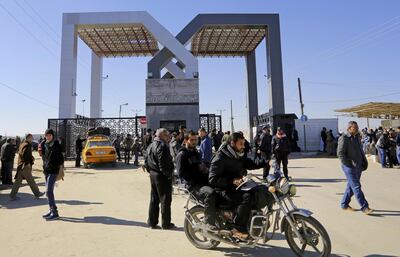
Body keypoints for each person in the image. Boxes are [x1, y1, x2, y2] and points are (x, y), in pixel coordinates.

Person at [209, 132, 264, 239]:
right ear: (232, 143)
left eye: (244, 143)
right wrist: (232, 181)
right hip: (221, 190)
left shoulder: (238, 155)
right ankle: (237, 229)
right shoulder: (220, 158)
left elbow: (250, 164)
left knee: (257, 192)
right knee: (246, 198)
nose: (243, 146)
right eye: (241, 144)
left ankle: (254, 221)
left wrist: (265, 162)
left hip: (236, 187)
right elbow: (212, 179)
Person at [176, 131, 217, 230]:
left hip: (202, 181)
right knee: (210, 194)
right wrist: (197, 171)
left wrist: (205, 169)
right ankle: (209, 222)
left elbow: (200, 165)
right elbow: (181, 174)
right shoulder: (182, 155)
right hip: (193, 185)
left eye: (196, 139)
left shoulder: (195, 152)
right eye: (192, 140)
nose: (194, 142)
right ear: (186, 140)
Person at [337, 121, 372, 215]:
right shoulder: (344, 138)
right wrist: (349, 164)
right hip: (349, 167)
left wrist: (364, 161)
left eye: (357, 127)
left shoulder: (356, 137)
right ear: (349, 128)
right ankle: (365, 207)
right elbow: (340, 153)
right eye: (355, 128)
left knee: (351, 187)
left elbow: (360, 150)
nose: (357, 129)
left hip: (358, 166)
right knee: (356, 186)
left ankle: (344, 204)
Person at [146, 128, 175, 229]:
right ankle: (166, 223)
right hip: (161, 175)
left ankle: (152, 222)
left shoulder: (151, 144)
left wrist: (150, 171)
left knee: (154, 199)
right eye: (167, 136)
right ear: (162, 136)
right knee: (165, 199)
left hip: (153, 174)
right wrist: (169, 175)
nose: (169, 137)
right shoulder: (162, 145)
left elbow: (146, 161)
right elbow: (163, 163)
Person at [10, 134, 45, 200]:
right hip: (25, 166)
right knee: (31, 180)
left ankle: (12, 195)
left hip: (21, 165)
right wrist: (27, 162)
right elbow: (24, 154)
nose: (32, 139)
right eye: (31, 138)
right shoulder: (27, 145)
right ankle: (37, 193)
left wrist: (31, 157)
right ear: (28, 138)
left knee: (18, 181)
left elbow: (23, 153)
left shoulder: (22, 144)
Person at [42, 129, 64, 220]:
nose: (48, 137)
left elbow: (61, 159)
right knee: (48, 192)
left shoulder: (56, 145)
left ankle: (55, 212)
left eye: (50, 135)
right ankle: (51, 210)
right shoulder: (45, 144)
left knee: (48, 191)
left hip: (53, 170)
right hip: (46, 170)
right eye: (47, 135)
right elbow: (44, 157)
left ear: (52, 136)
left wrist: (54, 164)